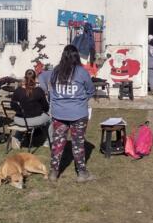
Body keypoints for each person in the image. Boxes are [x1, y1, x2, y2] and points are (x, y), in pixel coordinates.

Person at [48, 44, 95, 183]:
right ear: (77, 56)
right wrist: (81, 99)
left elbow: (51, 91)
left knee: (57, 143)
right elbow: (91, 90)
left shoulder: (55, 71)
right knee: (78, 143)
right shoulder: (82, 72)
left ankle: (53, 173)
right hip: (78, 113)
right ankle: (81, 173)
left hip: (58, 113)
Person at [11, 69, 50, 149]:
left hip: (18, 119)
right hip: (32, 120)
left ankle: (17, 137)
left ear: (25, 78)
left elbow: (13, 106)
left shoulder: (18, 90)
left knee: (26, 118)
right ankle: (47, 141)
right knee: (50, 118)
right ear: (35, 78)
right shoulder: (39, 91)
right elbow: (46, 107)